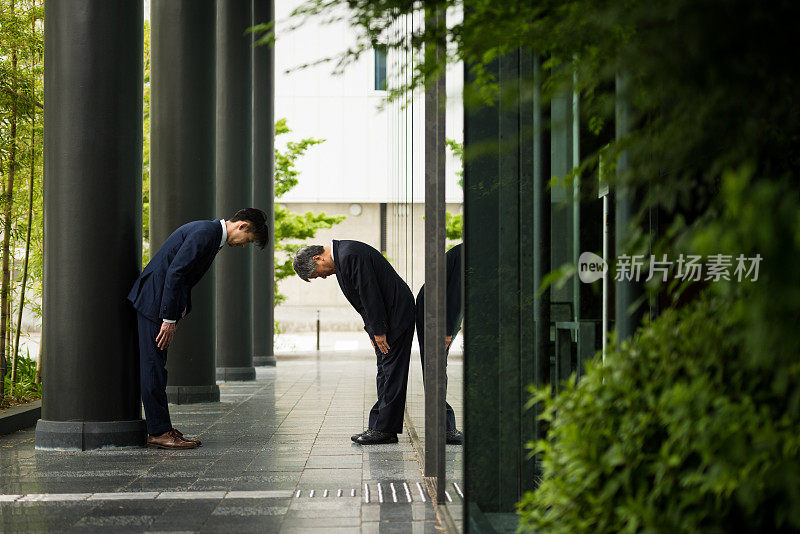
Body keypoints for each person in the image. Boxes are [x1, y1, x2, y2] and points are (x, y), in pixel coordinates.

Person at [127, 208, 268, 449]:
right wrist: (169, 319)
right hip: (155, 304)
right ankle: (158, 431)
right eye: (249, 240)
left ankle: (160, 428)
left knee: (156, 367)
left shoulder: (209, 233)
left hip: (157, 303)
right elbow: (176, 273)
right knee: (153, 368)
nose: (245, 246)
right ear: (242, 226)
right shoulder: (205, 233)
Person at [293, 240, 415, 445]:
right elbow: (365, 298)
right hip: (388, 318)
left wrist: (379, 330)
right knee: (385, 371)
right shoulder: (344, 256)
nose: (323, 276)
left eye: (318, 273)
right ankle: (381, 426)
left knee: (392, 372)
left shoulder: (349, 255)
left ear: (318, 258)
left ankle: (384, 429)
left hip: (395, 316)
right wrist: (373, 330)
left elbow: (370, 294)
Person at [415, 243, 463, 445]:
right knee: (435, 370)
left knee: (436, 369)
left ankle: (442, 425)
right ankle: (444, 428)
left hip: (434, 311)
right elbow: (455, 294)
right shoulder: (467, 254)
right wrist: (447, 331)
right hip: (434, 314)